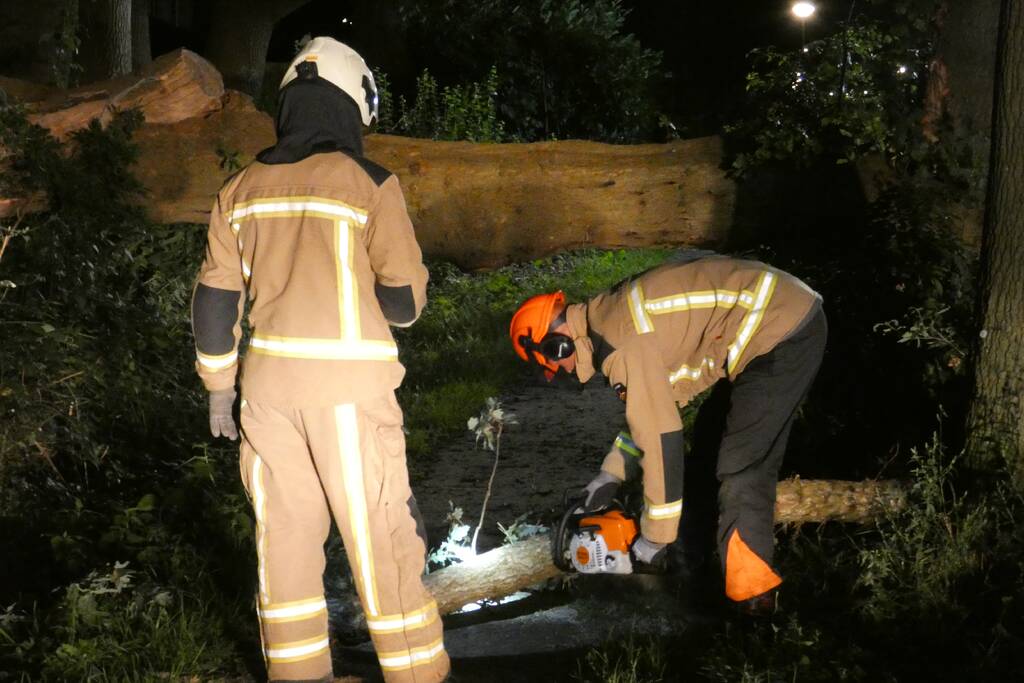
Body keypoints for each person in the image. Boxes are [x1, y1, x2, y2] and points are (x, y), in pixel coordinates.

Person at [191, 37, 448, 683]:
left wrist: (219, 389)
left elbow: (215, 301)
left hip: (268, 399)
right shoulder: (369, 185)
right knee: (382, 543)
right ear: (348, 109)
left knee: (285, 547)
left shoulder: (238, 190)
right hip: (348, 396)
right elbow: (406, 302)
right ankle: (419, 673)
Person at [508, 254, 826, 611]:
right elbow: (651, 409)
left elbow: (661, 436)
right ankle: (698, 568)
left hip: (780, 328)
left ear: (557, 343)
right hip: (772, 321)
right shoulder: (607, 322)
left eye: (552, 362)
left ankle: (755, 599)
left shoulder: (619, 343)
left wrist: (654, 539)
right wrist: (609, 474)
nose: (560, 369)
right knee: (709, 443)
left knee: (742, 466)